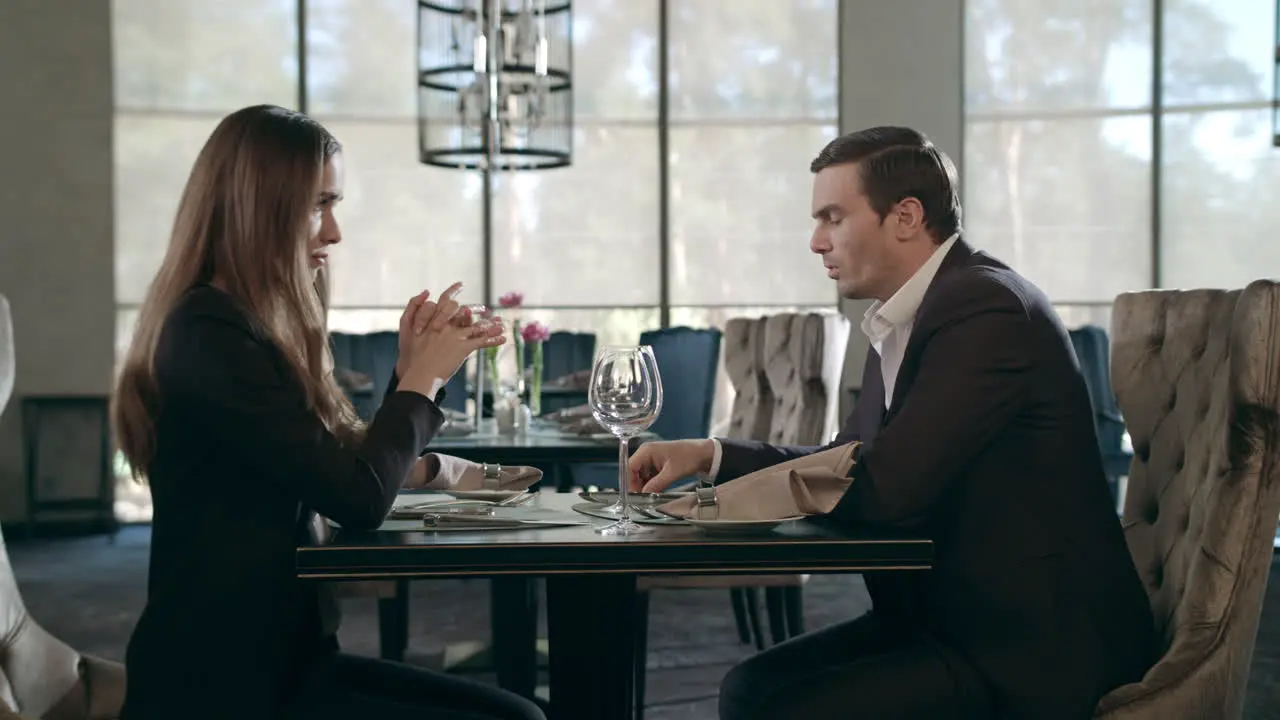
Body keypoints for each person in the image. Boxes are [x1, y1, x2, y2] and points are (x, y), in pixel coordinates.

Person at [629, 127, 1155, 719]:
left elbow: (884, 489)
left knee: (778, 706)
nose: (814, 241)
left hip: (1033, 648)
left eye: (832, 217)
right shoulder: (913, 313)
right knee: (751, 689)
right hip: (946, 618)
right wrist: (709, 455)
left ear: (905, 216)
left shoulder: (987, 308)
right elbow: (846, 457)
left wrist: (717, 505)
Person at [111, 104, 545, 720]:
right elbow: (358, 498)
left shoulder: (241, 325)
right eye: (319, 205)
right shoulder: (208, 334)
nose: (333, 232)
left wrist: (412, 370)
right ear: (257, 207)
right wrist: (423, 380)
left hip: (282, 665)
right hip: (223, 688)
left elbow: (335, 463)